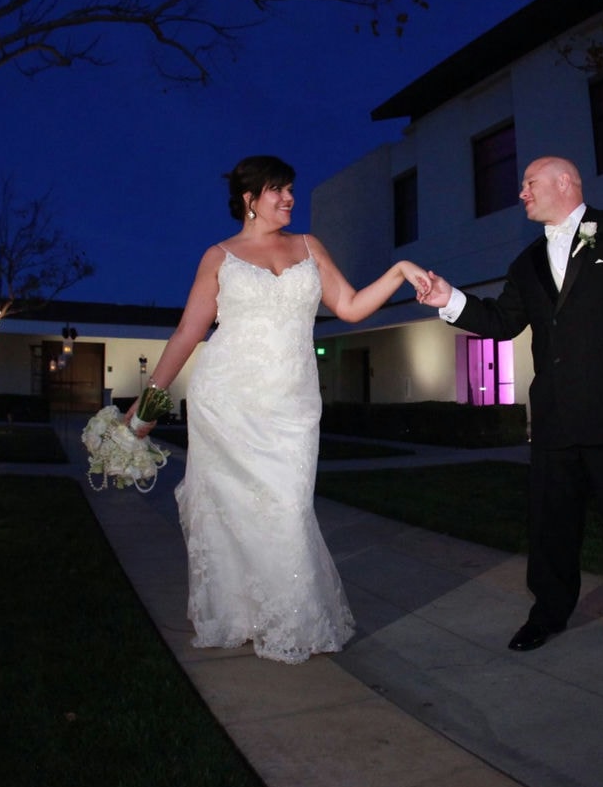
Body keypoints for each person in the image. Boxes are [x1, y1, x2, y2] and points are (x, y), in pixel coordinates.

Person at [137, 155, 429, 664]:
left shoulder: (309, 247)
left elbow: (352, 306)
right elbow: (189, 332)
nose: (289, 198)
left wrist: (402, 271)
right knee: (234, 514)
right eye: (277, 190)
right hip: (227, 399)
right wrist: (146, 410)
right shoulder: (220, 256)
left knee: (289, 510)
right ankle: (248, 617)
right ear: (250, 200)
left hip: (292, 405)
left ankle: (290, 620)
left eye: (290, 188)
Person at [415, 156, 603, 650]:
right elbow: (501, 321)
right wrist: (448, 299)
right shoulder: (525, 263)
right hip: (555, 420)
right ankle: (548, 613)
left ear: (565, 182)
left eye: (529, 183)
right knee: (550, 526)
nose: (521, 193)